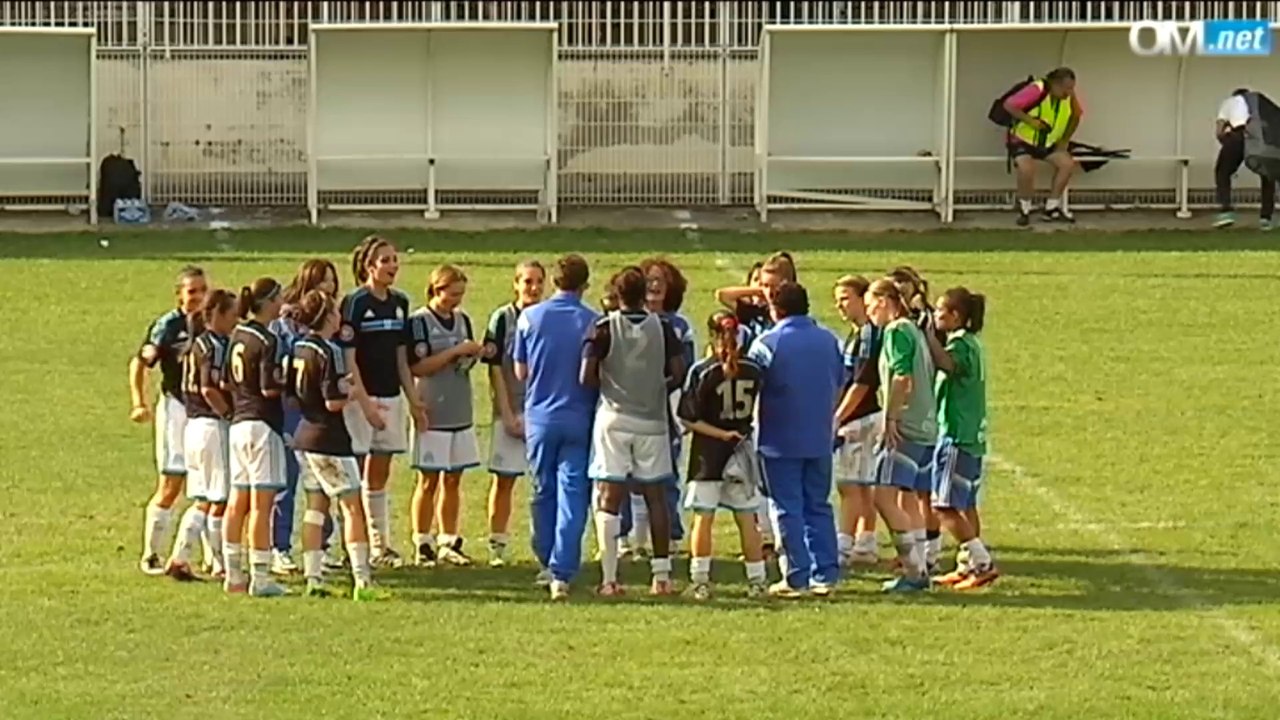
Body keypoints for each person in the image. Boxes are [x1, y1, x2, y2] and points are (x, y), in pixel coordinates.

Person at [581, 267, 686, 597]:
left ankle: (609, 578)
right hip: (652, 420)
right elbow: (680, 374)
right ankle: (661, 576)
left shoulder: (602, 327)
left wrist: (613, 389)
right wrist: (655, 388)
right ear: (645, 294)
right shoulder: (665, 327)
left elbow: (586, 376)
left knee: (609, 495)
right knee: (655, 496)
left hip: (613, 417)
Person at [287, 289, 390, 602]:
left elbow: (293, 394)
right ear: (326, 317)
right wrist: (352, 391)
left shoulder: (297, 347)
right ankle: (362, 580)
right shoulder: (328, 350)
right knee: (351, 506)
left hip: (304, 435)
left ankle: (313, 576)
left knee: (316, 507)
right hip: (329, 438)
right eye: (334, 312)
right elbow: (333, 401)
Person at [746, 282, 844, 598]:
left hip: (779, 437)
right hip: (819, 436)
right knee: (818, 504)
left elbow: (749, 386)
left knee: (786, 506)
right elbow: (841, 381)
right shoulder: (829, 340)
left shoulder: (767, 343)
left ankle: (796, 574)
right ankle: (826, 572)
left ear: (775, 308)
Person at [513, 254, 600, 600]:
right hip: (579, 416)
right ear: (584, 285)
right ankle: (563, 570)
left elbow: (520, 372)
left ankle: (545, 558)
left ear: (553, 282)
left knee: (542, 490)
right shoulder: (594, 321)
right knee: (574, 494)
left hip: (541, 417)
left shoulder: (529, 317)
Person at [339, 235, 429, 567]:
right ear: (368, 266)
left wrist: (413, 400)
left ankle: (380, 544)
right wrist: (363, 403)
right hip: (363, 400)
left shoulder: (400, 302)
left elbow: (401, 357)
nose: (393, 265)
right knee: (355, 473)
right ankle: (352, 547)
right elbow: (348, 359)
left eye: (394, 259)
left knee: (380, 472)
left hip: (391, 397)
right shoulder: (355, 303)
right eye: (385, 260)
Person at [678, 310, 768, 600]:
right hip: (741, 449)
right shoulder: (753, 368)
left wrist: (719, 434)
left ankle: (701, 581)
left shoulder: (704, 370)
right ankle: (757, 581)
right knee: (747, 518)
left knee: (704, 518)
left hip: (709, 454)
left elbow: (689, 418)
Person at [129, 266, 207, 575]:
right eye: (192, 291)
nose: (199, 297)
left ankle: (205, 557)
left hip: (205, 412)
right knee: (171, 483)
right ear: (180, 295)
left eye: (203, 290)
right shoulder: (167, 326)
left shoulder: (213, 323)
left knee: (207, 487)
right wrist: (138, 402)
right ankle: (151, 553)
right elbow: (140, 362)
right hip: (176, 410)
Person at [618, 257, 695, 560]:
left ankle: (670, 536)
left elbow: (685, 368)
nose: (654, 284)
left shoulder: (678, 325)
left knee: (665, 475)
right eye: (649, 279)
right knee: (622, 474)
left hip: (665, 409)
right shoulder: (621, 320)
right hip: (626, 406)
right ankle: (623, 537)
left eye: (661, 279)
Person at [864, 278, 938, 593]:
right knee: (908, 499)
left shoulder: (895, 331)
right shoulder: (914, 330)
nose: (869, 313)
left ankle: (913, 571)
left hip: (906, 426)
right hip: (926, 426)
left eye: (869, 305)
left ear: (883, 301)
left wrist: (891, 416)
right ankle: (920, 566)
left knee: (883, 496)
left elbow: (902, 377)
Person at [408, 264, 485, 567]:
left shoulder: (463, 320)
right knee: (428, 479)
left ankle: (449, 540)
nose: (457, 300)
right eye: (452, 294)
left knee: (454, 478)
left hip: (459, 409)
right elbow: (417, 367)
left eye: (461, 295)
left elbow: (460, 360)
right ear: (437, 290)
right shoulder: (419, 322)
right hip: (432, 410)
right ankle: (422, 540)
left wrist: (471, 356)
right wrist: (454, 353)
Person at [268, 259, 341, 575]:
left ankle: (321, 548)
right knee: (287, 480)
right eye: (323, 280)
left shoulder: (333, 319)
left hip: (318, 411)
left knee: (323, 483)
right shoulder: (286, 321)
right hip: (291, 409)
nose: (329, 286)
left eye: (332, 281)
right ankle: (279, 548)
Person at [926, 288, 998, 590]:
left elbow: (947, 364)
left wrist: (927, 335)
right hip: (972, 434)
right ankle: (966, 565)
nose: (936, 316)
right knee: (966, 505)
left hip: (957, 434)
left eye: (941, 312)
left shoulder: (960, 346)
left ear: (956, 316)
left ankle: (982, 562)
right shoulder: (972, 343)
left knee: (942, 505)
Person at [223, 278, 289, 597]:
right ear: (268, 302)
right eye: (279, 299)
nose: (282, 304)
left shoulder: (238, 334)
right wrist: (289, 379)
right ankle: (260, 577)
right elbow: (268, 387)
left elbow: (226, 380)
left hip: (238, 423)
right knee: (262, 504)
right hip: (263, 423)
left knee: (238, 500)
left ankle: (233, 573)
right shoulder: (267, 339)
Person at [165, 289, 237, 581]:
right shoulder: (215, 345)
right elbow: (210, 387)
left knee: (203, 498)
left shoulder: (195, 345)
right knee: (220, 498)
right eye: (232, 314)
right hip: (211, 424)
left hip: (193, 425)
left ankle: (180, 557)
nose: (236, 321)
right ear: (217, 314)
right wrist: (229, 414)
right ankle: (221, 564)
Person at [481, 260, 546, 568]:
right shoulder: (502, 319)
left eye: (538, 282)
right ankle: (497, 545)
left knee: (542, 483)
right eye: (528, 282)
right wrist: (506, 412)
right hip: (509, 411)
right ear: (516, 284)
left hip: (541, 413)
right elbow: (494, 371)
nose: (533, 288)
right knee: (504, 480)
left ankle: (543, 544)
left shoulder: (547, 318)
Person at [831, 274, 881, 566]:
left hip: (860, 416)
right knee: (862, 483)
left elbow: (861, 382)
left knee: (849, 484)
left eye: (845, 298)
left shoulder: (866, 334)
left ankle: (843, 546)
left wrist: (838, 416)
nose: (840, 306)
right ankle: (866, 543)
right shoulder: (858, 333)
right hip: (866, 414)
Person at [1003, 67, 1084, 226]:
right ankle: (1024, 208)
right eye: (1066, 88)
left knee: (1067, 164)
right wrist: (1031, 121)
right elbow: (1009, 105)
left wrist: (1065, 140)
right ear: (1054, 84)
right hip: (1022, 140)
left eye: (1071, 88)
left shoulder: (1069, 96)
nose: (1069, 92)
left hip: (1048, 142)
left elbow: (1076, 115)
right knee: (1026, 168)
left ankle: (1051, 208)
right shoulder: (1037, 89)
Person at [1214, 88, 1276, 229]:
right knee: (1267, 175)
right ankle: (1266, 218)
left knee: (1222, 172)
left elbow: (1219, 130)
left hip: (1237, 135)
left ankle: (1226, 212)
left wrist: (1227, 142)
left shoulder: (1229, 102)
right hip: (1260, 137)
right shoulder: (1259, 105)